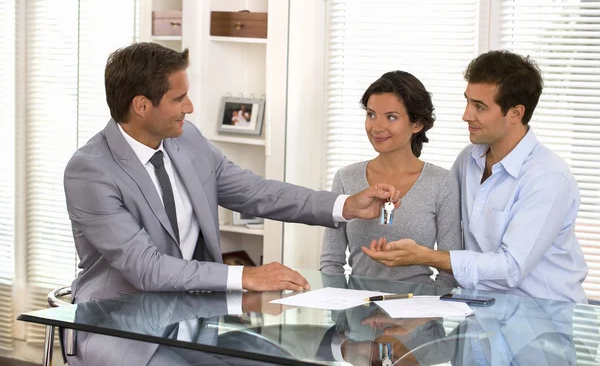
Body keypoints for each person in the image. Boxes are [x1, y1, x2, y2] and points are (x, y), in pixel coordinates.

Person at [64, 42, 400, 305]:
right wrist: (245, 276)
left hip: (195, 314)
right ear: (141, 106)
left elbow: (256, 192)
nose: (190, 107)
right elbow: (147, 269)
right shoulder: (91, 172)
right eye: (178, 98)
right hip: (121, 325)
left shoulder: (188, 141)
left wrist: (347, 206)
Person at [363, 51, 588, 303]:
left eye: (479, 106)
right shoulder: (468, 160)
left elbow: (510, 268)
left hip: (542, 319)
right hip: (482, 313)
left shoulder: (548, 178)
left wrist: (425, 256)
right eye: (467, 101)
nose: (466, 115)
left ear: (515, 113)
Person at [320, 71, 462, 287]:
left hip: (417, 313)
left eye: (391, 117)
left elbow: (450, 269)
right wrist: (342, 314)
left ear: (417, 124)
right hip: (357, 313)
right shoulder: (345, 178)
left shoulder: (442, 183)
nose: (376, 127)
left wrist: (422, 311)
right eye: (371, 114)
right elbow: (331, 262)